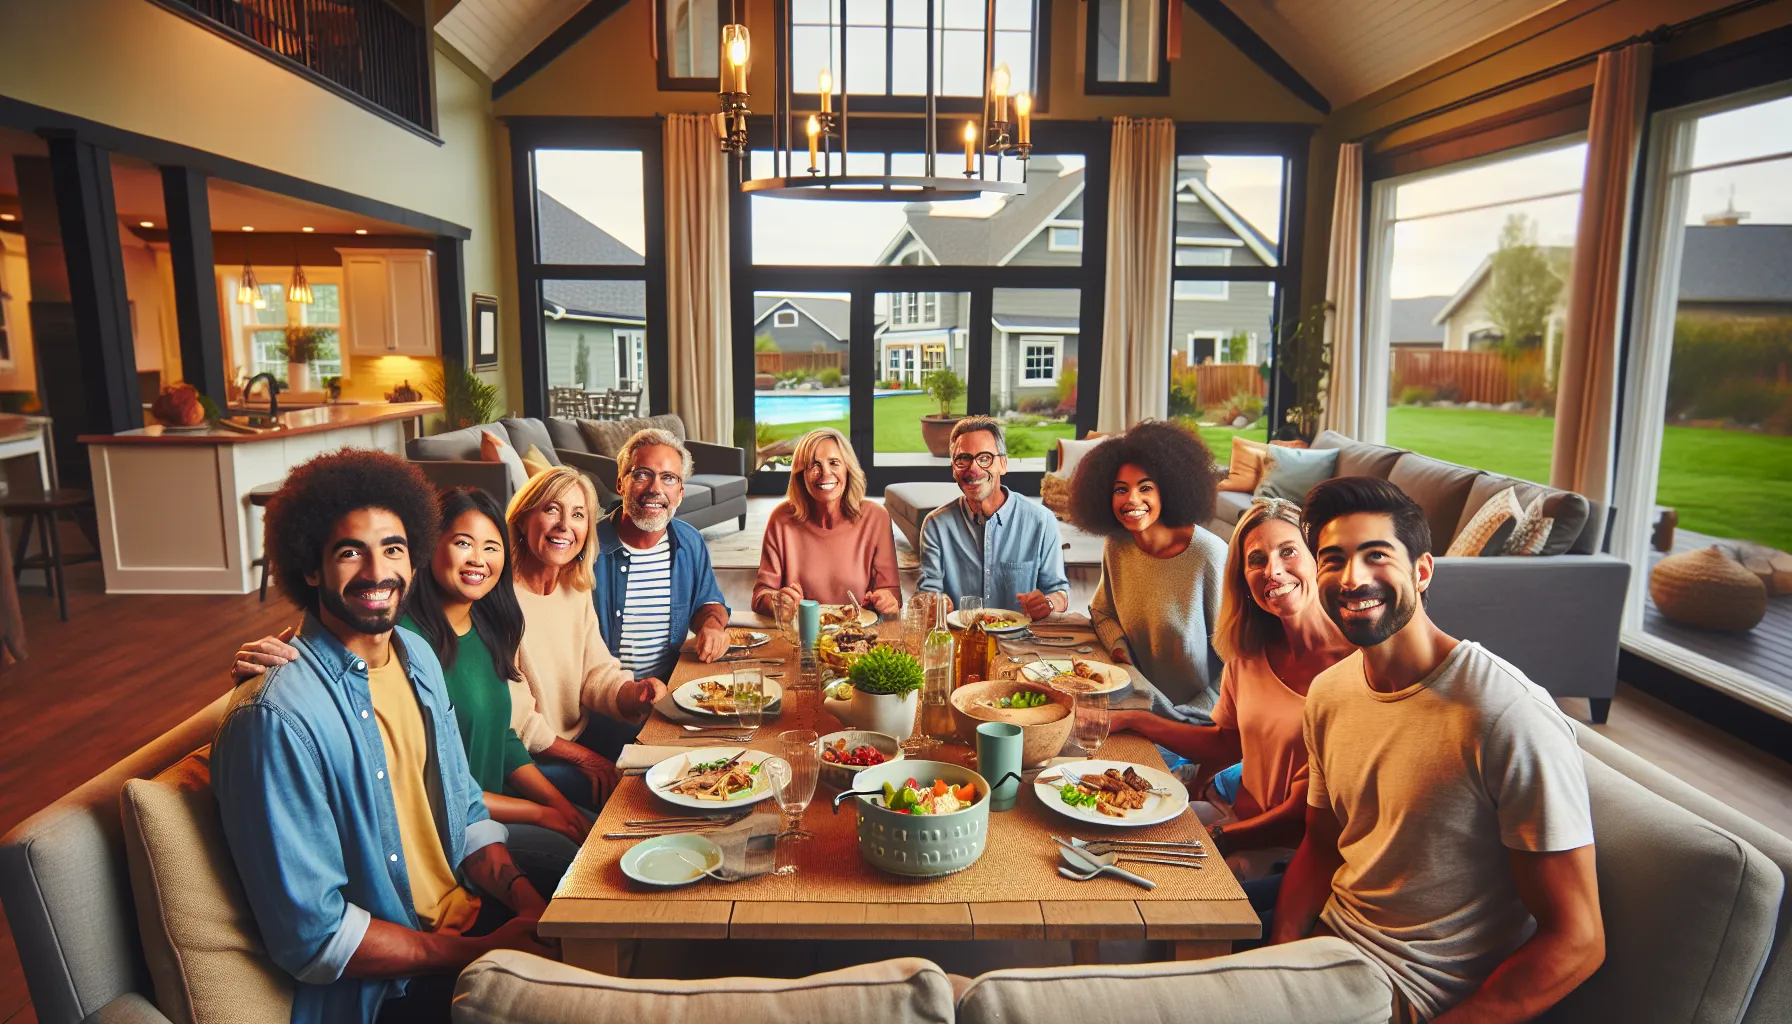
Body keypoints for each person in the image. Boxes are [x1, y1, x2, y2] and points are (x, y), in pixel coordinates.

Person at [211, 450, 553, 1024]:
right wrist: (479, 953)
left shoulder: (416, 654)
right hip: (389, 986)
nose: (377, 572)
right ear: (311, 567)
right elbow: (316, 938)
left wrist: (526, 903)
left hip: (464, 919)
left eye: (393, 549)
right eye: (351, 551)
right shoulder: (274, 720)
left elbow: (463, 808)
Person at [1272, 477, 1603, 1023]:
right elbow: (1322, 847)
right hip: (1327, 945)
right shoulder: (1330, 692)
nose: (1352, 578)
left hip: (1410, 988)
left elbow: (1579, 941)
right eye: (1332, 560)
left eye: (1375, 555)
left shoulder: (1506, 714)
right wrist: (1279, 955)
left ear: (1422, 572)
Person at [230, 487, 591, 890]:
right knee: (585, 861)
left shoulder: (486, 628)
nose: (478, 559)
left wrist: (555, 806)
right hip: (457, 829)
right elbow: (419, 781)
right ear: (428, 550)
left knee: (596, 825)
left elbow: (502, 735)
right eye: (462, 543)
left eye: (491, 547)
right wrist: (540, 813)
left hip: (483, 819)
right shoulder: (398, 641)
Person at [1110, 496, 1352, 910]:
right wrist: (1136, 720)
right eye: (1256, 560)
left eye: (1288, 552)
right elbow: (1227, 743)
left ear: (1317, 560)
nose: (1272, 571)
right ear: (1242, 578)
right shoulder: (1248, 654)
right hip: (1236, 818)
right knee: (1109, 843)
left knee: (1155, 896)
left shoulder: (1354, 668)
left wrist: (1216, 837)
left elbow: (1304, 812)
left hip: (1290, 850)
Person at [507, 467, 664, 810]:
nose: (565, 525)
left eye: (578, 515)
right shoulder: (500, 597)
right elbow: (516, 718)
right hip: (528, 761)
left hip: (578, 737)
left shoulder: (573, 587)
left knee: (667, 759)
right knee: (636, 797)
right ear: (522, 519)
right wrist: (585, 758)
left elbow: (596, 672)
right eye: (551, 510)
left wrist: (634, 694)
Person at [1068, 420, 1228, 723]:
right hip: (1133, 703)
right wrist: (1119, 650)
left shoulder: (1208, 556)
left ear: (1168, 490)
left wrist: (1192, 715)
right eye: (1120, 489)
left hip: (1198, 722)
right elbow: (1102, 613)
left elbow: (1239, 661)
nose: (1132, 500)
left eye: (1145, 488)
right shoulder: (1117, 545)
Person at [917, 416, 1069, 618]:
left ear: (1003, 464)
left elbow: (1059, 591)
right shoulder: (936, 525)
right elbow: (927, 593)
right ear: (954, 468)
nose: (974, 469)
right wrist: (934, 602)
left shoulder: (1041, 521)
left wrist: (1048, 603)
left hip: (1020, 643)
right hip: (963, 641)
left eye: (985, 458)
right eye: (963, 459)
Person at [751, 427, 900, 620]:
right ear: (800, 473)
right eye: (814, 465)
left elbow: (892, 593)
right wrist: (776, 601)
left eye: (834, 463)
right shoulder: (781, 520)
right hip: (801, 641)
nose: (825, 473)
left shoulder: (876, 517)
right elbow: (760, 596)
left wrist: (887, 599)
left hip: (860, 639)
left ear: (848, 468)